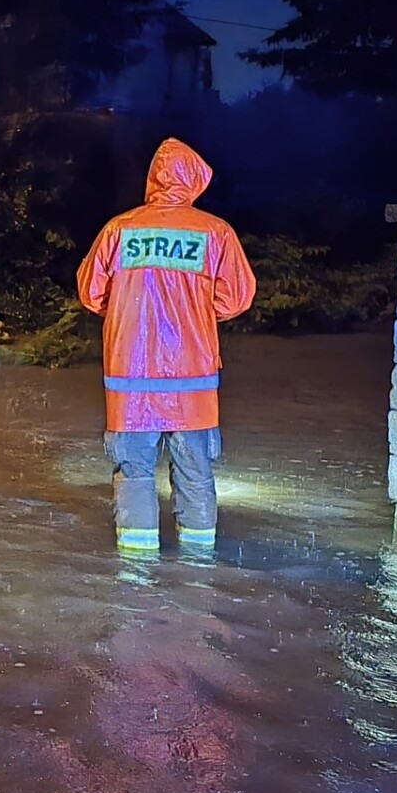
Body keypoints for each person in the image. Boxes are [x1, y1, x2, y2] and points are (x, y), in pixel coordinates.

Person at [77, 139, 256, 556]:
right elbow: (237, 297)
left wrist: (124, 310)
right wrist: (195, 311)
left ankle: (136, 581)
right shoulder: (214, 232)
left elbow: (91, 291)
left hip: (130, 381)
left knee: (134, 473)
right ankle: (197, 579)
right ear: (194, 181)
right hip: (192, 384)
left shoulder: (119, 230)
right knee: (195, 474)